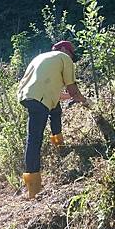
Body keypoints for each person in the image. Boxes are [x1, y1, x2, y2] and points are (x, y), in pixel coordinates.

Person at [17, 40, 91, 199]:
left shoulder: (42, 58)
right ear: (64, 49)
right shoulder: (64, 58)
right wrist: (87, 102)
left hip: (27, 95)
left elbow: (57, 94)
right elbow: (73, 91)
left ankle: (60, 146)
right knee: (34, 139)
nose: (72, 59)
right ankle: (34, 188)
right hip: (39, 98)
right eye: (72, 54)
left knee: (55, 110)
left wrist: (74, 97)